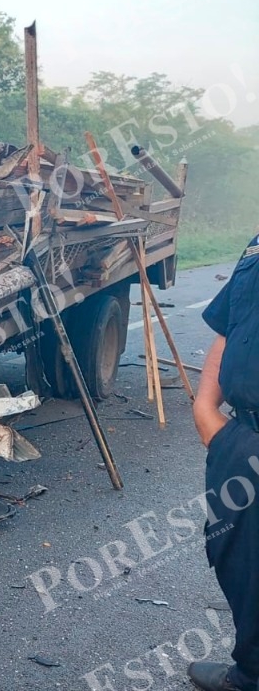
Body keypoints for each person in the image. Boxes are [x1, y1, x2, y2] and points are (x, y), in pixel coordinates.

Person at [189, 233, 259, 691]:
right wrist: (206, 410)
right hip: (242, 440)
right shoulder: (258, 244)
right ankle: (252, 673)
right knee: (242, 566)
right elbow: (229, 323)